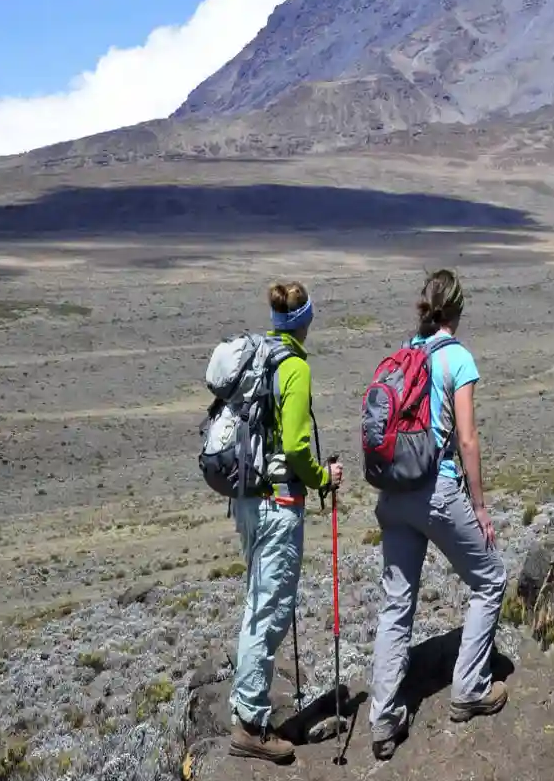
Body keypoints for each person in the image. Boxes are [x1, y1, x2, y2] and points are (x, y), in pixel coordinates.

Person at [368, 268, 507, 761]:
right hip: (437, 490)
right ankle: (469, 688)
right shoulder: (456, 358)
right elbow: (467, 438)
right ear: (458, 310)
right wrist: (480, 506)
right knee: (491, 579)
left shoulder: (408, 353)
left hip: (393, 494)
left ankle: (383, 721)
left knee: (396, 604)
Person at [230, 281, 345, 764]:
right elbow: (298, 446)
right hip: (279, 503)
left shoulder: (260, 357)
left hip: (249, 500)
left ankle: (245, 707)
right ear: (306, 320)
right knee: (271, 609)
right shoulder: (294, 368)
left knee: (258, 602)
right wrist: (323, 477)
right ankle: (251, 725)